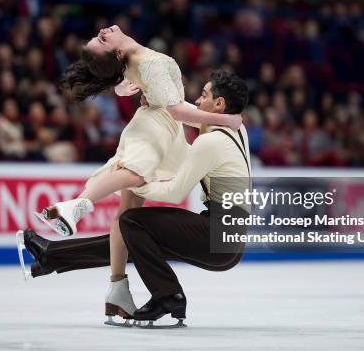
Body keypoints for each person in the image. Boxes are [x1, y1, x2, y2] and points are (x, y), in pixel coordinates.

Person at [32, 26, 242, 320]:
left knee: (128, 213)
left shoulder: (132, 60)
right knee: (135, 175)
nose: (103, 30)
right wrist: (224, 119)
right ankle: (77, 206)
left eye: (99, 35)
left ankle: (117, 287)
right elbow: (177, 111)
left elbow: (121, 80)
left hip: (162, 130)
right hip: (158, 127)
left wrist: (131, 88)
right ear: (117, 52)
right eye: (102, 39)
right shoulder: (148, 62)